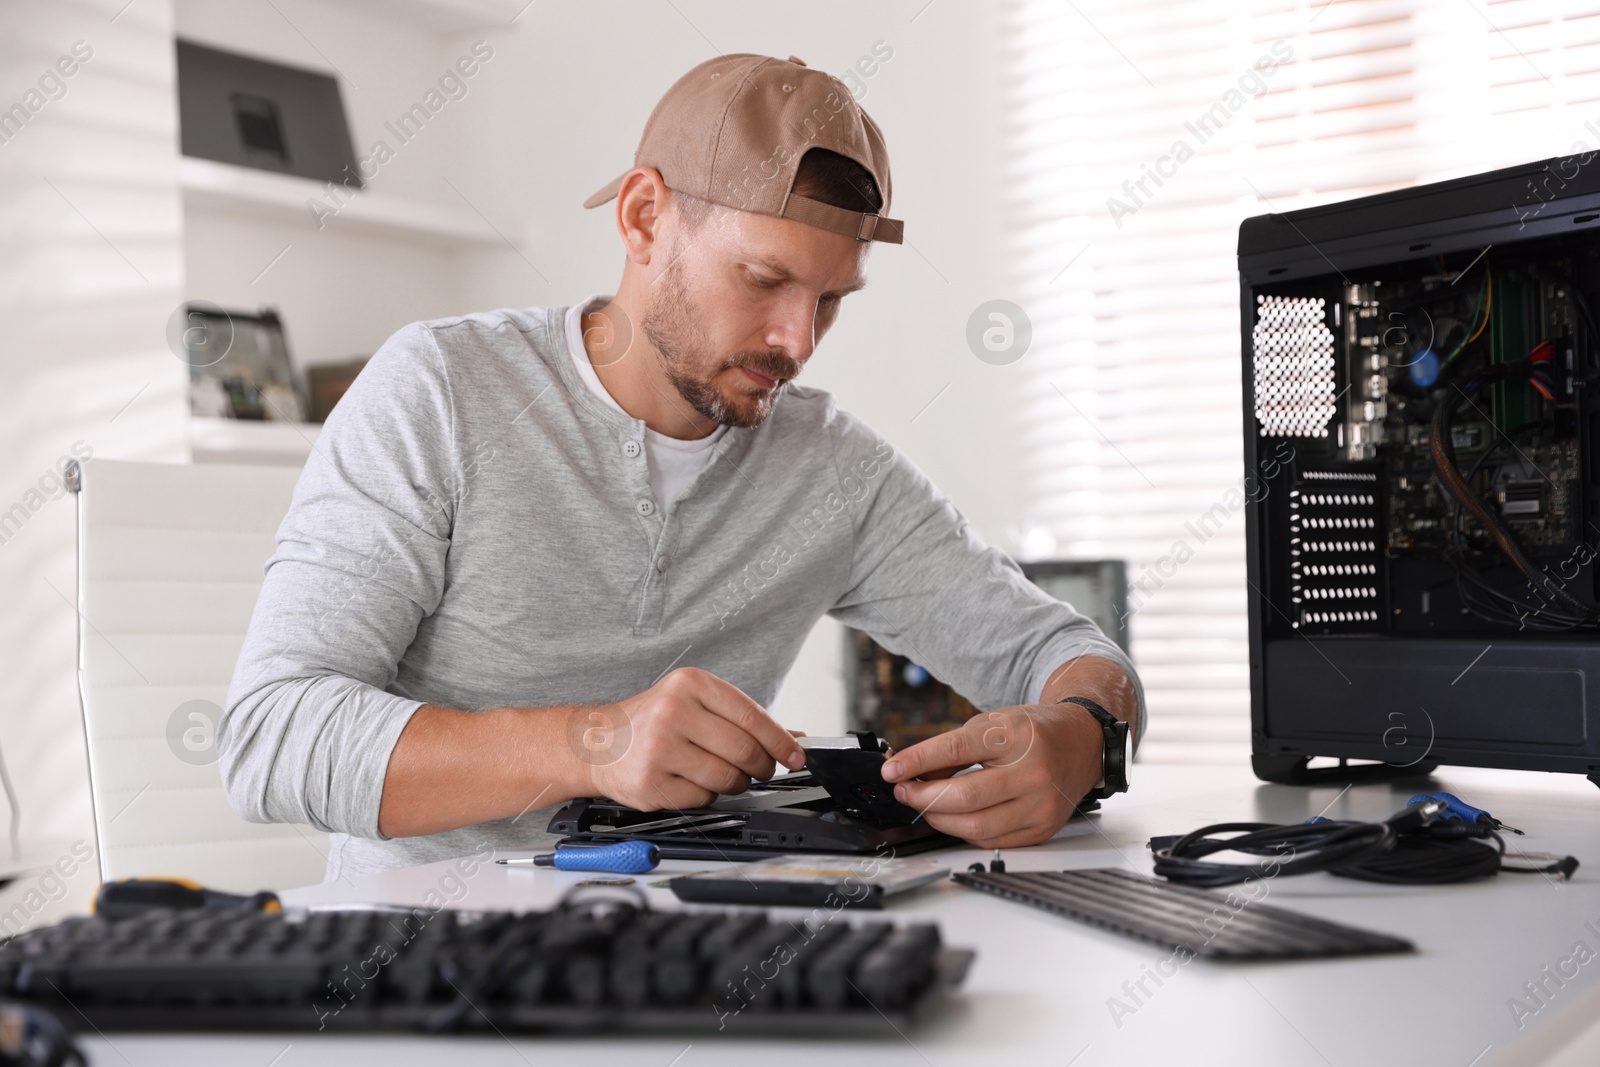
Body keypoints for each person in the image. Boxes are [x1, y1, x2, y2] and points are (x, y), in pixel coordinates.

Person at [219, 53, 1145, 879]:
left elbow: (1066, 653)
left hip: (704, 956)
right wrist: (590, 740)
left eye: (831, 299)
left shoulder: (835, 473)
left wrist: (1082, 738)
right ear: (644, 216)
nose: (797, 341)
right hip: (421, 958)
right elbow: (268, 739)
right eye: (764, 279)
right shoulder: (441, 391)